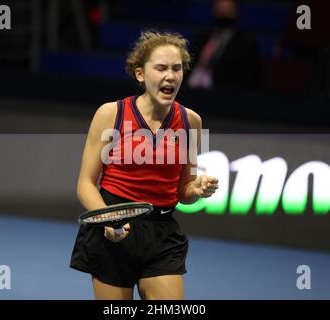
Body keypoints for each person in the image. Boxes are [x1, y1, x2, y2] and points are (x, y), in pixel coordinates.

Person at [70, 30, 219, 300]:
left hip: (162, 235)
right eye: (161, 68)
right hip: (114, 228)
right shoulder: (110, 114)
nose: (170, 76)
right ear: (140, 74)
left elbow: (183, 191)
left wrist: (196, 188)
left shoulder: (191, 122)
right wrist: (108, 219)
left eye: (177, 68)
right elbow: (85, 184)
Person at [188, 0, 261, 91]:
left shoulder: (247, 45)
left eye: (227, 11)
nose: (223, 13)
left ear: (236, 12)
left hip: (220, 96)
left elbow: (249, 82)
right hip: (190, 90)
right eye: (220, 10)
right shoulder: (202, 39)